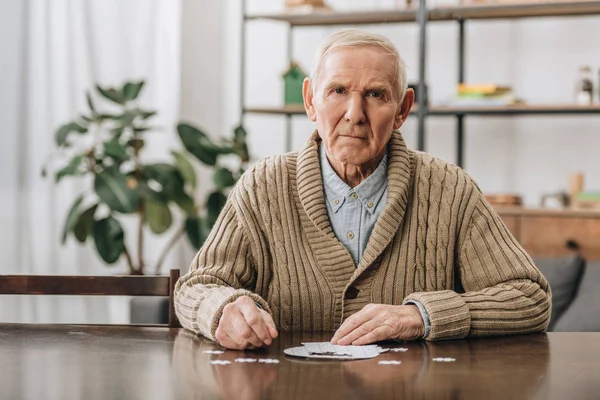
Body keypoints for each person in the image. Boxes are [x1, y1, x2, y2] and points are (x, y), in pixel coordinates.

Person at [174, 29, 551, 350]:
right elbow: (197, 287)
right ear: (310, 100)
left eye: (375, 94)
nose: (355, 113)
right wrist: (223, 308)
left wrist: (421, 316)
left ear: (402, 109)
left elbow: (530, 297)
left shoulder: (450, 189)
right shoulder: (263, 185)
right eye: (338, 90)